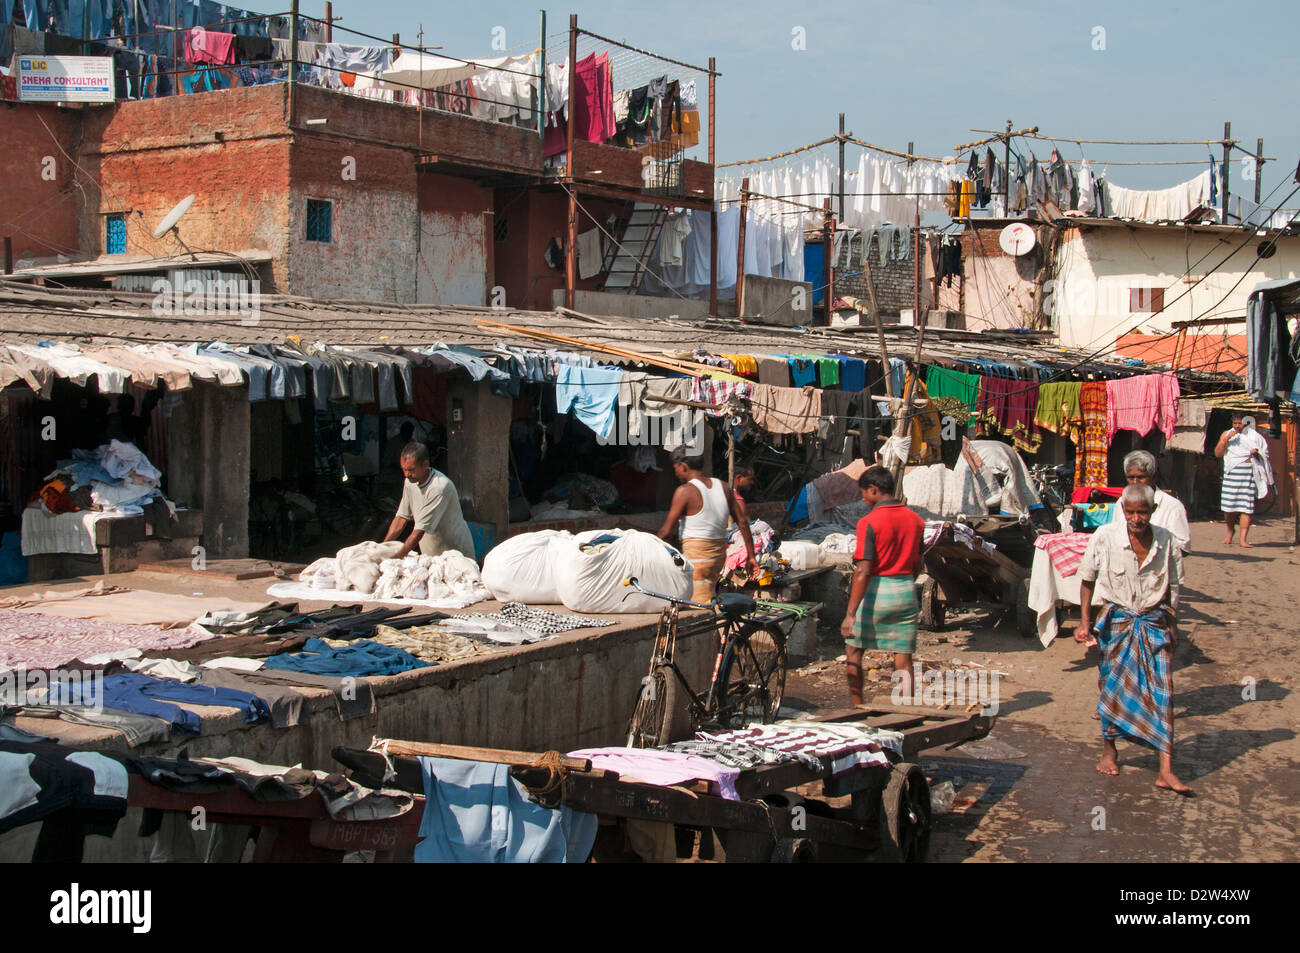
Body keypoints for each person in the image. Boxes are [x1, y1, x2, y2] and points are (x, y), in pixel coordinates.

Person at [1074, 483, 1191, 795]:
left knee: (1163, 693)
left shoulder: (1166, 540)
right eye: (1131, 512)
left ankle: (1165, 769)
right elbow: (1086, 579)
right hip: (1118, 624)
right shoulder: (1104, 537)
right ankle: (1109, 749)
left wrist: (1173, 624)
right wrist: (1085, 623)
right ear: (1122, 511)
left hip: (1155, 622)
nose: (1136, 518)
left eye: (1143, 512)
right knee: (1111, 688)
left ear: (1152, 512)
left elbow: (1175, 587)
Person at [839, 466, 925, 707]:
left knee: (854, 652)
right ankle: (905, 713)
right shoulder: (916, 520)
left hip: (876, 593)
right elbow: (918, 563)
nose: (863, 499)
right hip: (906, 591)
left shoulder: (869, 522)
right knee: (903, 659)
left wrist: (850, 614)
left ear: (874, 490)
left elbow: (863, 570)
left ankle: (858, 707)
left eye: (864, 493)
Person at [657, 449, 756, 603]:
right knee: (709, 595)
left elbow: (667, 531)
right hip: (718, 557)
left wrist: (648, 544)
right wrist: (751, 557)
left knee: (698, 605)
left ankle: (709, 624)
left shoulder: (685, 491)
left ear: (683, 466)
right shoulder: (723, 487)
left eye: (675, 468)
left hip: (698, 558)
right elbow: (743, 522)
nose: (675, 473)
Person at [382, 442, 476, 560]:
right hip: (431, 554)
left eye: (410, 470)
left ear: (425, 464)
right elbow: (401, 517)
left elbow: (418, 532)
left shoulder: (439, 487)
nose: (406, 474)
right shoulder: (409, 482)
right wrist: (382, 548)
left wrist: (395, 558)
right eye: (404, 469)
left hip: (455, 553)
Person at [1107, 450, 1190, 552]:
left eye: (1141, 477)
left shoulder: (1172, 506)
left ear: (1153, 477)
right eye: (1131, 477)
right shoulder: (1122, 502)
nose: (1135, 482)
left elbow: (1183, 548)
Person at [1215, 412, 1271, 547]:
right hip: (1232, 474)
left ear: (1246, 423)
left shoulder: (1254, 437)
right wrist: (1226, 439)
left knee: (1246, 508)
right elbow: (1218, 453)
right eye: (1235, 423)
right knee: (1229, 508)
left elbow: (1265, 453)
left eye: (1240, 423)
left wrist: (1255, 453)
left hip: (1248, 475)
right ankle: (1230, 532)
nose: (1237, 426)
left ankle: (1243, 539)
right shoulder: (1227, 434)